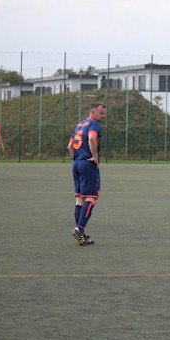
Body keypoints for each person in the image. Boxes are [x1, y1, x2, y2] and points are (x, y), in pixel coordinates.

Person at [68, 102, 106, 245]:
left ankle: (81, 234)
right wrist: (94, 157)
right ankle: (79, 228)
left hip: (76, 163)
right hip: (87, 164)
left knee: (80, 199)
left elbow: (70, 146)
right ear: (93, 112)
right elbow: (91, 138)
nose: (104, 116)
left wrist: (76, 158)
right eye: (101, 113)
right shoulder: (93, 124)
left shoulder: (80, 124)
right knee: (92, 198)